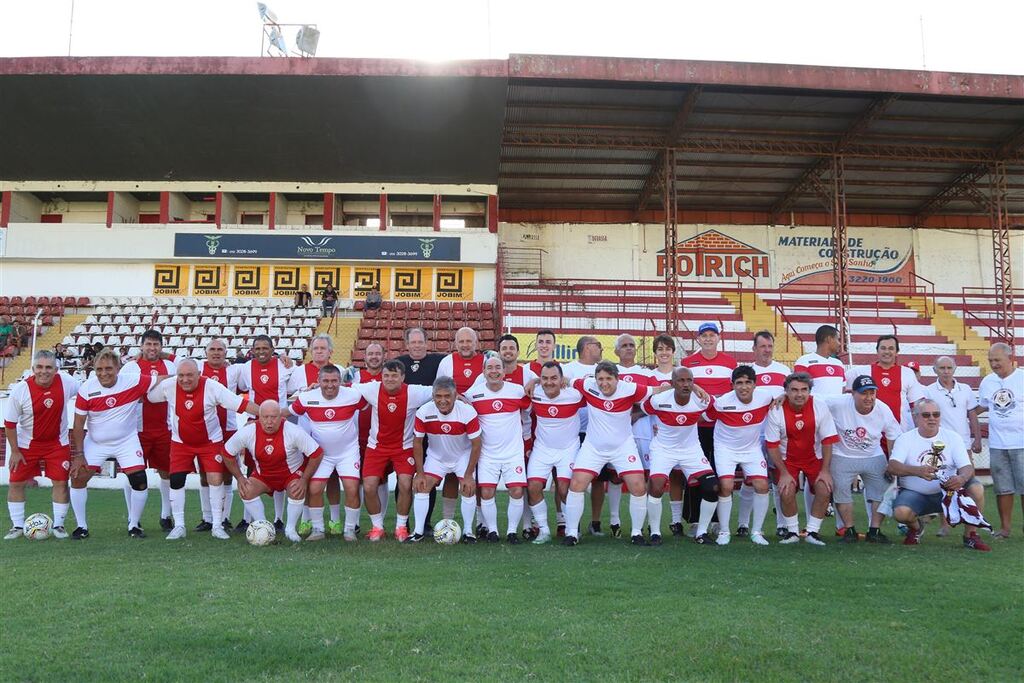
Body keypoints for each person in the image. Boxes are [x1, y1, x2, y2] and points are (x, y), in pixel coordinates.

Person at [562, 361, 672, 546]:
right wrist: (534, 383)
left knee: (638, 487)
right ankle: (572, 533)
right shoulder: (587, 384)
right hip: (593, 448)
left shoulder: (630, 388)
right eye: (600, 379)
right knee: (576, 485)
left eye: (608, 379)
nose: (604, 383)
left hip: (623, 447)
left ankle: (636, 533)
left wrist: (692, 387)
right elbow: (563, 380)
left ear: (617, 379)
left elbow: (657, 390)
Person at [146, 359, 257, 539]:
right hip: (180, 442)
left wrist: (270, 414)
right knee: (176, 479)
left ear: (199, 374)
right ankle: (180, 526)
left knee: (215, 478)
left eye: (189, 375)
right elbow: (149, 395)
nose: (185, 380)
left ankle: (217, 525)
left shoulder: (212, 387)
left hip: (210, 442)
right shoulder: (169, 385)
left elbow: (240, 404)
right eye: (181, 375)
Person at [69, 349, 166, 539]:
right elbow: (78, 424)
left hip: (126, 441)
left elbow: (162, 379)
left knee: (139, 480)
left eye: (108, 369)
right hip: (96, 442)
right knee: (78, 478)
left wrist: (188, 376)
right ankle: (81, 527)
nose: (103, 373)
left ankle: (134, 524)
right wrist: (79, 455)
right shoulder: (87, 389)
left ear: (118, 368)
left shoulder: (133, 380)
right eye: (99, 369)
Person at [887, 399, 990, 551]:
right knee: (901, 513)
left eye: (936, 414)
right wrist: (918, 471)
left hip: (948, 491)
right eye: (926, 415)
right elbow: (892, 466)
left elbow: (967, 466)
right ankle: (916, 528)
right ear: (916, 417)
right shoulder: (905, 438)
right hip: (917, 493)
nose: (932, 418)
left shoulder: (952, 437)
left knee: (977, 488)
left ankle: (970, 535)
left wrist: (961, 478)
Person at [219, 401, 324, 543]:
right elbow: (226, 452)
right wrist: (240, 477)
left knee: (296, 489)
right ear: (259, 417)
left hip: (291, 474)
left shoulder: (293, 431)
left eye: (274, 417)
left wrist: (304, 480)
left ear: (281, 416)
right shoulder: (249, 431)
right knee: (246, 489)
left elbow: (316, 453)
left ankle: (290, 529)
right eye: (265, 417)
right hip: (264, 475)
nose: (269, 422)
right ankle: (263, 527)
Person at [3, 351, 81, 540]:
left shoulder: (68, 383)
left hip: (57, 444)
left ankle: (59, 525)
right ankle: (17, 526)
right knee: (16, 483)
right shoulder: (20, 391)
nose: (44, 371)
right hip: (26, 445)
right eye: (39, 367)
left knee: (61, 483)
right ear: (33, 369)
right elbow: (10, 424)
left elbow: (88, 393)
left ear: (56, 369)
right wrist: (14, 451)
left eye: (48, 367)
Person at [353, 360, 434, 541]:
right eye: (386, 376)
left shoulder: (414, 392)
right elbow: (347, 388)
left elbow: (440, 389)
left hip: (403, 448)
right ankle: (377, 527)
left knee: (405, 484)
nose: (390, 379)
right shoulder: (372, 389)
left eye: (394, 376)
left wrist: (460, 395)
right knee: (369, 486)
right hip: (376, 447)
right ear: (381, 377)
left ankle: (401, 526)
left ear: (402, 377)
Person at [287, 364, 367, 541]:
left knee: (352, 488)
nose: (330, 385)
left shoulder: (353, 395)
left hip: (348, 452)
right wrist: (259, 420)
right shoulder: (307, 397)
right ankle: (318, 530)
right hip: (322, 455)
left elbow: (370, 406)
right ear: (318, 381)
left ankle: (349, 530)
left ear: (340, 381)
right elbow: (287, 413)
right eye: (325, 381)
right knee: (315, 489)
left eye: (334, 381)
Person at [642, 367, 719, 545]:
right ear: (672, 383)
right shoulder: (659, 400)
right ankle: (654, 533)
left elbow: (713, 411)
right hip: (663, 449)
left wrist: (695, 418)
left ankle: (701, 533)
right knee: (657, 485)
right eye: (681, 381)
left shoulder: (702, 400)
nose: (685, 384)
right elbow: (645, 410)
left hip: (691, 450)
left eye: (689, 381)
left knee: (712, 487)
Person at [764, 372, 838, 545]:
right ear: (786, 392)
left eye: (804, 390)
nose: (799, 394)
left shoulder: (819, 406)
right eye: (794, 390)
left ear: (809, 391)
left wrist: (826, 470)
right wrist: (783, 472)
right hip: (786, 459)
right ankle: (792, 532)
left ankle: (813, 532)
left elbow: (828, 440)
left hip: (814, 457)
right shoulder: (777, 410)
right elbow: (772, 445)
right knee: (786, 490)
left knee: (824, 488)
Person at [827, 375, 902, 544]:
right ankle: (849, 529)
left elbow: (892, 436)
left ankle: (874, 530)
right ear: (852, 393)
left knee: (881, 492)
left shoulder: (883, 409)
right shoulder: (838, 403)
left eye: (872, 393)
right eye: (863, 393)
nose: (868, 398)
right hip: (843, 453)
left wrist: (892, 463)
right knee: (841, 491)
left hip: (873, 454)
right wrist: (783, 396)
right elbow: (811, 399)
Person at [706, 365, 775, 546]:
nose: (743, 387)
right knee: (726, 486)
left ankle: (757, 531)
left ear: (755, 384)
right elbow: (703, 416)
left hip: (751, 449)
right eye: (739, 383)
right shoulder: (721, 403)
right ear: (732, 385)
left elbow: (780, 401)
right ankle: (724, 531)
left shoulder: (765, 397)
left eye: (747, 382)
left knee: (761, 485)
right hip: (725, 449)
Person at [465, 356, 532, 543]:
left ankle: (512, 531)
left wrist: (526, 435)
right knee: (486, 492)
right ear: (484, 372)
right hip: (487, 454)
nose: (494, 371)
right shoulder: (474, 394)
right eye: (490, 368)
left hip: (513, 453)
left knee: (517, 491)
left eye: (497, 367)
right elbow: (461, 402)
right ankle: (493, 531)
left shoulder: (517, 391)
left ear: (504, 371)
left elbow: (528, 411)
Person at [681, 322, 737, 533]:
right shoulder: (688, 362)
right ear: (698, 339)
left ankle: (718, 522)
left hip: (722, 426)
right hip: (696, 426)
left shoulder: (730, 362)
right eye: (704, 335)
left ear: (718, 338)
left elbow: (734, 391)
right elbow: (683, 387)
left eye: (712, 335)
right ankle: (695, 519)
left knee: (721, 472)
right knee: (697, 472)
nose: (708, 339)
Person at [287, 333, 346, 536]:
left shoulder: (340, 370)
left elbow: (347, 394)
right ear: (311, 351)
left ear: (331, 351)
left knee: (332, 478)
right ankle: (306, 520)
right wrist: (307, 391)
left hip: (332, 433)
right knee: (307, 474)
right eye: (316, 348)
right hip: (306, 431)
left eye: (323, 348)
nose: (319, 351)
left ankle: (335, 520)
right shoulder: (300, 371)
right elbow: (291, 398)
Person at [411, 376, 482, 542]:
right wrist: (420, 473)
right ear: (433, 396)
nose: (443, 401)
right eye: (438, 396)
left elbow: (477, 444)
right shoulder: (424, 411)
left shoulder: (467, 411)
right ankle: (418, 532)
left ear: (455, 395)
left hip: (461, 456)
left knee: (468, 488)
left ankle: (468, 532)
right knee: (422, 486)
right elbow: (417, 443)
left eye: (447, 396)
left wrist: (469, 474)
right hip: (437, 457)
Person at [121, 329, 178, 532]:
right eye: (148, 344)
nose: (152, 348)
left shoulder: (170, 364)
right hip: (136, 429)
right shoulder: (130, 366)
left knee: (167, 473)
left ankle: (165, 515)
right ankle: (132, 517)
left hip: (165, 428)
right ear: (141, 345)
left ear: (161, 347)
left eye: (156, 344)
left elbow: (191, 369)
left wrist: (169, 357)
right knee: (133, 473)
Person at [236, 334, 295, 530]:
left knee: (280, 469)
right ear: (252, 351)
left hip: (280, 424)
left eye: (265, 348)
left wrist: (288, 358)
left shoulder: (284, 366)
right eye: (257, 348)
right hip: (255, 424)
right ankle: (249, 519)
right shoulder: (245, 368)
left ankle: (279, 519)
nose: (261, 352)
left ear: (272, 350)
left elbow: (297, 383)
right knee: (252, 470)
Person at [395, 326, 449, 532]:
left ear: (427, 343)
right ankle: (404, 522)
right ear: (407, 344)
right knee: (406, 476)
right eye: (413, 342)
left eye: (420, 342)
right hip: (407, 429)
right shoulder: (399, 364)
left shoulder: (439, 362)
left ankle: (424, 523)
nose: (417, 346)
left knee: (428, 474)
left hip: (432, 427)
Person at [737, 330, 790, 538]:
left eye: (769, 346)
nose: (766, 350)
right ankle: (742, 524)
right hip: (752, 433)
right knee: (751, 479)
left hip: (777, 434)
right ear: (754, 349)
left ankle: (782, 524)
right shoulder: (746, 372)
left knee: (779, 478)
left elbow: (792, 394)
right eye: (762, 346)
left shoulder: (784, 370)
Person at [527, 361, 585, 544]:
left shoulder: (574, 395)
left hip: (568, 449)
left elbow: (593, 388)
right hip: (542, 449)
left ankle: (572, 530)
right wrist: (534, 381)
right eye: (544, 378)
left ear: (562, 380)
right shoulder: (534, 393)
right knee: (533, 487)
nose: (549, 382)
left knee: (564, 488)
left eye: (554, 378)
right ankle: (543, 530)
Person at [562, 335, 612, 537]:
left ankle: (596, 522)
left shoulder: (604, 369)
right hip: (574, 432)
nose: (601, 349)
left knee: (599, 480)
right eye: (598, 345)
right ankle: (570, 523)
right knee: (570, 479)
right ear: (587, 347)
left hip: (598, 433)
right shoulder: (569, 369)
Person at [975, 342, 1023, 539]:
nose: (994, 364)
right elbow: (981, 407)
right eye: (991, 360)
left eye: (998, 360)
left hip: (1021, 443)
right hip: (997, 444)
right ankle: (1005, 529)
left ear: (1010, 359)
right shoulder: (987, 382)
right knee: (1002, 488)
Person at [196, 338, 243, 532]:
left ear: (226, 353)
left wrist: (283, 358)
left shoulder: (234, 371)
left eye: (220, 350)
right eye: (212, 349)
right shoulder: (197, 367)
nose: (216, 353)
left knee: (227, 474)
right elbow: (174, 361)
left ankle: (224, 518)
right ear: (206, 352)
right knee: (204, 474)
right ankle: (207, 518)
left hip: (228, 429)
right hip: (204, 430)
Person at [649, 333, 687, 536]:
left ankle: (676, 521)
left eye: (667, 349)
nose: (664, 353)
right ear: (655, 353)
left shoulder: (681, 374)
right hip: (654, 430)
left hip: (680, 432)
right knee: (654, 477)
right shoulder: (650, 377)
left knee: (677, 476)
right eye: (660, 349)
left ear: (673, 351)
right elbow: (645, 404)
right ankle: (651, 521)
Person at [848, 335, 924, 430]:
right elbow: (847, 401)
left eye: (891, 348)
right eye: (883, 348)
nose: (887, 352)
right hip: (868, 433)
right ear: (877, 351)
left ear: (897, 352)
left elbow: (917, 405)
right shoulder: (859, 372)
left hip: (898, 432)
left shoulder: (907, 373)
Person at [794, 324, 847, 397]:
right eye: (838, 339)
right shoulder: (804, 361)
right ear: (828, 339)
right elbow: (798, 390)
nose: (840, 343)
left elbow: (842, 389)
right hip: (815, 408)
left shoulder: (839, 363)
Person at [437, 327, 486, 394]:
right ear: (456, 344)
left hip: (479, 401)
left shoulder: (485, 361)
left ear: (476, 342)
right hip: (455, 402)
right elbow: (439, 388)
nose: (465, 345)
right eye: (461, 341)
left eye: (469, 341)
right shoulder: (446, 362)